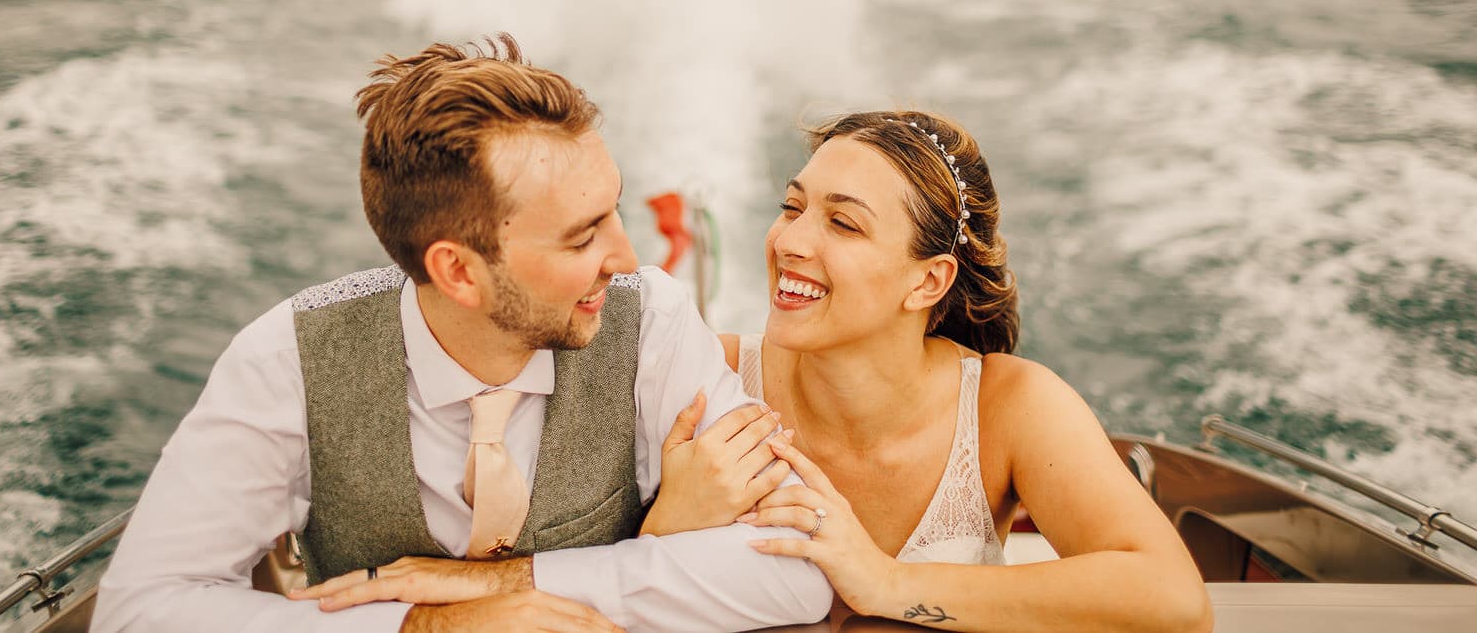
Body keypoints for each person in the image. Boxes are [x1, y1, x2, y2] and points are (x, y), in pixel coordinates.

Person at [93, 36, 832, 633]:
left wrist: (501, 583)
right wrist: (429, 628)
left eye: (613, 212)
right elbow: (140, 610)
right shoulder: (286, 359)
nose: (626, 259)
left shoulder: (655, 325)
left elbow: (801, 574)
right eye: (582, 239)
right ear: (459, 272)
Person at [643, 111, 1213, 632]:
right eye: (792, 208)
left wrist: (885, 583)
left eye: (843, 223)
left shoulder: (1009, 406)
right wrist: (661, 531)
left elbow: (1174, 603)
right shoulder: (700, 377)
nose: (789, 240)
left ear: (927, 281)